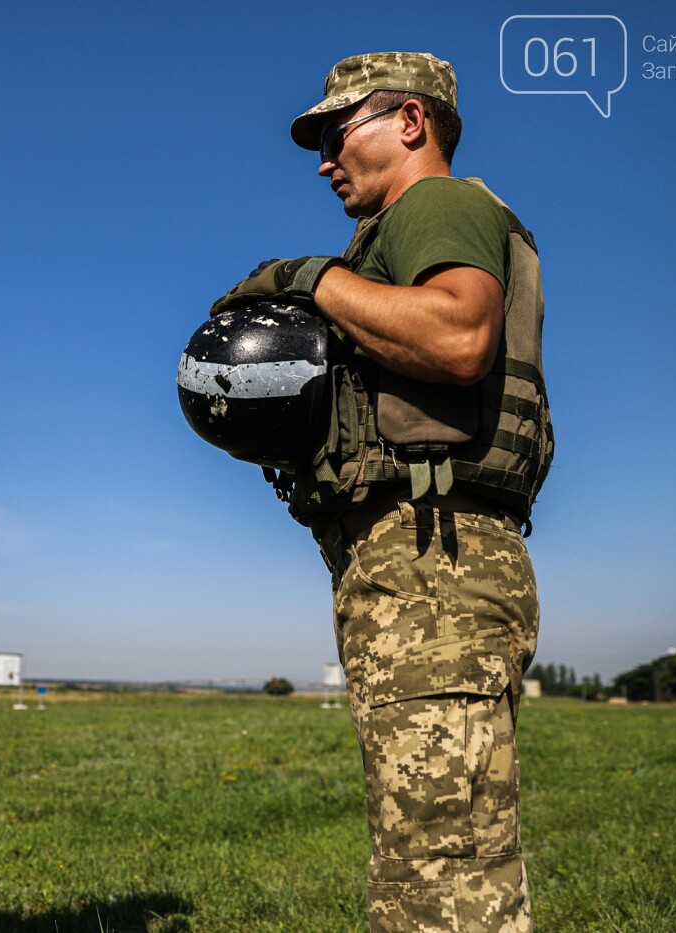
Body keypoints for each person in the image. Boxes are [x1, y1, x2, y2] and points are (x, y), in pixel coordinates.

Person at [211, 52, 554, 931]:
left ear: (410, 122)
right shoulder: (400, 228)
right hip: (415, 564)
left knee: (445, 880)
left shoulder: (436, 203)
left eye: (336, 133)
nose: (324, 159)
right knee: (429, 864)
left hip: (435, 565)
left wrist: (312, 280)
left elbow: (460, 333)